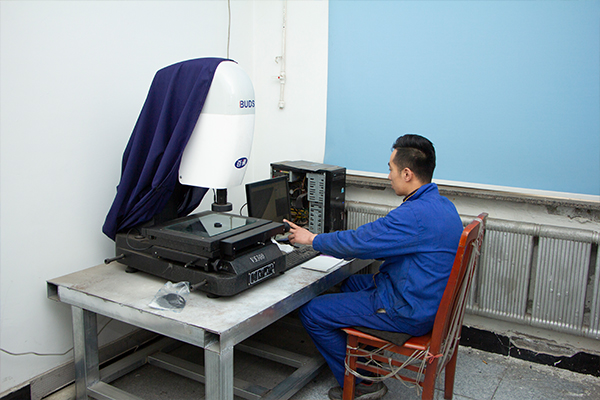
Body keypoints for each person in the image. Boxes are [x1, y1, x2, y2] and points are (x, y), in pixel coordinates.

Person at [284, 134, 463, 400]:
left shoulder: (413, 215)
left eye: (391, 169)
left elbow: (361, 242)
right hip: (424, 297)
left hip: (408, 309)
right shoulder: (442, 205)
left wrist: (312, 239)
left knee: (312, 312)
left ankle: (362, 383)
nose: (388, 176)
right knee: (348, 283)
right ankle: (364, 357)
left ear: (407, 173)